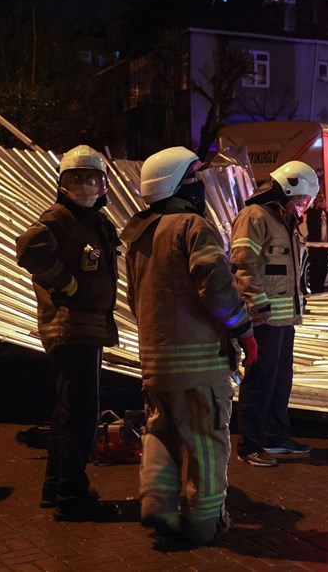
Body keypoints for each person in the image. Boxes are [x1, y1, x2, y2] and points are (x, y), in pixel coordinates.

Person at [121, 146, 257, 545]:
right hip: (200, 366)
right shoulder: (193, 227)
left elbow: (134, 300)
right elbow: (217, 288)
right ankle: (202, 523)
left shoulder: (140, 233)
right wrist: (244, 330)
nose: (200, 186)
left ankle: (158, 505)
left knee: (161, 433)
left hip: (156, 363)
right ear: (180, 185)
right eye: (195, 178)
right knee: (206, 442)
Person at [15, 145, 121, 522]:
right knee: (80, 415)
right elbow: (29, 248)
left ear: (104, 184)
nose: (84, 185)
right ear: (61, 184)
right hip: (71, 326)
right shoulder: (61, 217)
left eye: (91, 178)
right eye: (74, 178)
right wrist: (67, 284)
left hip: (85, 328)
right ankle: (73, 496)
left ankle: (55, 487)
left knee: (68, 412)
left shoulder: (90, 220)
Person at [231, 160, 318, 467]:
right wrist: (257, 303)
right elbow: (244, 262)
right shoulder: (254, 216)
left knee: (280, 379)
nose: (303, 206)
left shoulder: (287, 222)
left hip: (283, 319)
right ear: (287, 191)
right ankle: (250, 445)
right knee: (259, 380)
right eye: (301, 199)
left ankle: (276, 437)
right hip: (262, 318)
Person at [304, 192, 328, 293]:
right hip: (315, 246)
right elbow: (311, 220)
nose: (324, 202)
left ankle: (320, 287)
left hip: (325, 246)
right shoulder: (312, 213)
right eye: (322, 200)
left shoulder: (325, 214)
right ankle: (315, 289)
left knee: (324, 267)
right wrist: (316, 206)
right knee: (316, 268)